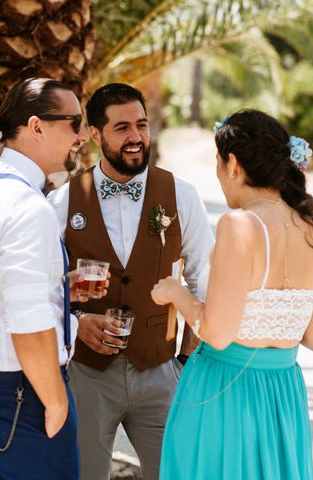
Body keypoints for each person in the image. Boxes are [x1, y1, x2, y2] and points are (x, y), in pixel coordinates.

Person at [152, 109, 313, 479]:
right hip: (283, 396)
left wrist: (177, 293)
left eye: (218, 163)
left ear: (233, 163)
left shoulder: (239, 225)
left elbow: (217, 332)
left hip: (224, 392)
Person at [48, 83, 214, 480]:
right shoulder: (62, 202)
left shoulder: (181, 196)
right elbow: (42, 290)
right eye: (121, 127)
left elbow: (205, 279)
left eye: (141, 125)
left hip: (160, 371)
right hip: (87, 375)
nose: (136, 137)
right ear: (94, 134)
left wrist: (187, 363)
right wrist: (76, 324)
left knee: (178, 474)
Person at [0, 78, 92, 479]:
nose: (81, 136)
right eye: (74, 122)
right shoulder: (26, 206)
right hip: (24, 395)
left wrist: (58, 287)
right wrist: (57, 402)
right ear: (36, 126)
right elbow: (28, 324)